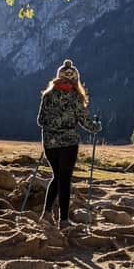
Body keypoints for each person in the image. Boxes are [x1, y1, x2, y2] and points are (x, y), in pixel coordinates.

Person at [37, 59, 101, 227]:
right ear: (75, 79)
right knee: (64, 179)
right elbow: (85, 122)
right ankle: (63, 220)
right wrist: (96, 127)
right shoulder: (75, 97)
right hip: (68, 144)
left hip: (49, 144)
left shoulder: (48, 95)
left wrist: (53, 125)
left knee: (56, 176)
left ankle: (47, 214)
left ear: (58, 77)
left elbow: (41, 120)